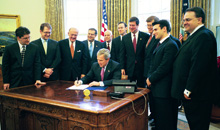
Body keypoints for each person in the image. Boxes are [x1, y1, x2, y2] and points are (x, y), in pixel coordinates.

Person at [171, 7, 218, 130]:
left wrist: (188, 89)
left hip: (197, 94)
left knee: (198, 125)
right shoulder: (194, 36)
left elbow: (199, 65)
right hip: (193, 95)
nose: (184, 22)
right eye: (184, 20)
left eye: (188, 19)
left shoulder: (204, 36)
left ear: (199, 20)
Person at [146, 20, 179, 130]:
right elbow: (153, 63)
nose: (153, 32)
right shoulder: (160, 43)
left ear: (164, 29)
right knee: (160, 120)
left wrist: (151, 79)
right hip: (158, 88)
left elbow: (164, 67)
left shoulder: (171, 45)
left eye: (155, 29)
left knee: (166, 121)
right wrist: (149, 77)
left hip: (164, 90)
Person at [120, 17, 150, 87]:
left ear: (138, 25)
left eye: (133, 25)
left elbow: (147, 53)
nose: (131, 27)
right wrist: (122, 67)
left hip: (141, 68)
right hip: (129, 68)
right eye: (130, 25)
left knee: (141, 88)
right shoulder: (125, 38)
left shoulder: (145, 36)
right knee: (129, 88)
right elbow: (122, 54)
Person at [143, 16, 159, 126]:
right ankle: (153, 115)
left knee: (155, 98)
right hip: (147, 72)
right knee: (151, 98)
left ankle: (156, 118)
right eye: (148, 25)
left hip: (153, 73)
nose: (149, 27)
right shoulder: (149, 37)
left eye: (151, 25)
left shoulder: (157, 38)